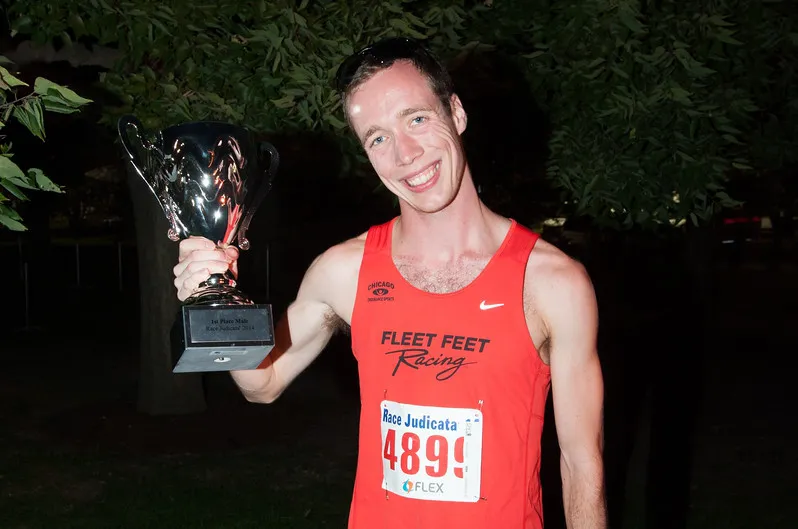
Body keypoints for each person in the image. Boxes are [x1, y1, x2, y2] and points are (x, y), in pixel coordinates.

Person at [173, 37, 606, 529]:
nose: (405, 154)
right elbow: (262, 385)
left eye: (416, 119)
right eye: (377, 138)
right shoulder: (344, 270)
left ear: (456, 113)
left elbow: (580, 463)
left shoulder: (552, 282)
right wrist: (214, 297)